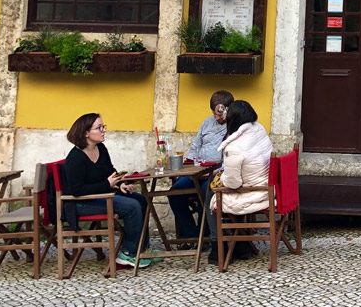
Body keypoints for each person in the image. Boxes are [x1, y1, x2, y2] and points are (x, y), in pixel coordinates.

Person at [63, 113, 153, 269]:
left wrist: (120, 185)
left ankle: (142, 249)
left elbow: (110, 172)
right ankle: (128, 253)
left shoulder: (101, 148)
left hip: (100, 196)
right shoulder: (75, 158)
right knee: (131, 206)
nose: (104, 130)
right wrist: (107, 184)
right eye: (99, 128)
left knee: (140, 199)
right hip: (79, 203)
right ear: (86, 133)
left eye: (103, 126)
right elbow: (77, 190)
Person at [207, 99, 274, 263]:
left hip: (253, 191)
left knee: (212, 193)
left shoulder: (234, 147)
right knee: (220, 189)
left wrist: (221, 176)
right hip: (266, 184)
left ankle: (217, 248)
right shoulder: (258, 129)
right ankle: (241, 245)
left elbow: (233, 184)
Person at [168, 90, 234, 241]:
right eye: (214, 113)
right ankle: (190, 235)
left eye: (220, 113)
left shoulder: (233, 126)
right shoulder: (207, 122)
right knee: (174, 193)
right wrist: (187, 167)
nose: (217, 117)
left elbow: (231, 158)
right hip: (198, 171)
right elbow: (195, 147)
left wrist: (217, 169)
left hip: (217, 174)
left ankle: (206, 237)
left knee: (205, 193)